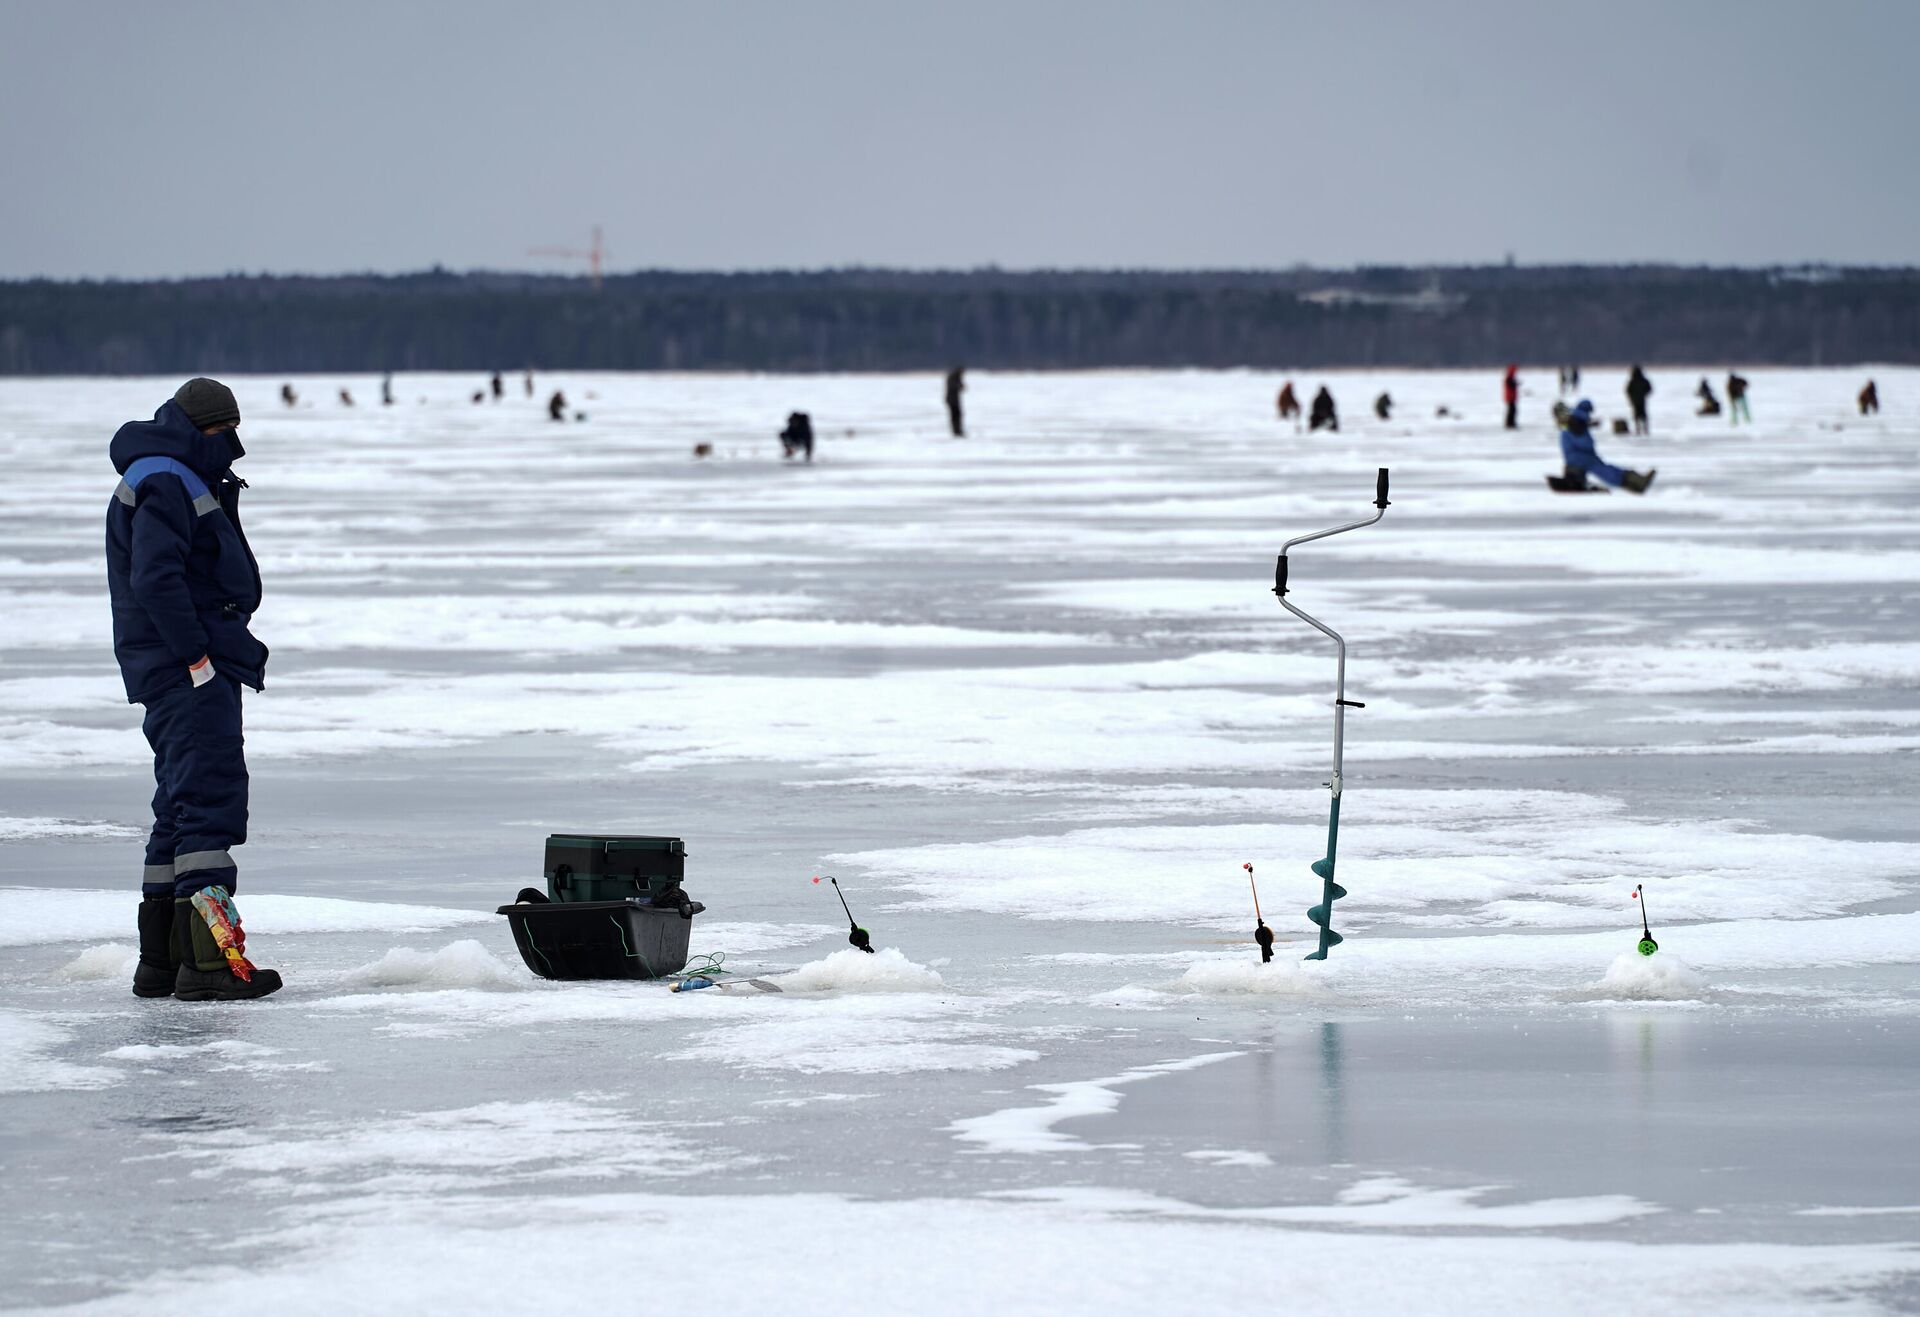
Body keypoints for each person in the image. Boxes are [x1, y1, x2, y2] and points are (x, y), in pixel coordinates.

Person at [106, 379, 282, 1001]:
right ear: (198, 427)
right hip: (187, 667)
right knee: (207, 800)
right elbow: (155, 579)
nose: (232, 444)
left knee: (178, 807)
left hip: (176, 664)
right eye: (222, 431)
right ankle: (209, 966)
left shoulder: (173, 471)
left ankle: (161, 962)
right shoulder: (166, 478)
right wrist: (196, 655)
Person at [1559, 399, 1654, 493]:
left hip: (1578, 456)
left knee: (1607, 469)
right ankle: (1635, 482)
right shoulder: (1578, 421)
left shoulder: (1576, 419)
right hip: (1580, 457)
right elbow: (1583, 441)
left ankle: (1635, 482)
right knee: (1606, 471)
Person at [1625, 366, 1653, 435]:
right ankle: (1645, 429)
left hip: (1635, 400)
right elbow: (1649, 388)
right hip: (1641, 400)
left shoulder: (1632, 381)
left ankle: (1638, 429)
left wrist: (1631, 397)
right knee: (1643, 415)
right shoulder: (1643, 380)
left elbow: (1628, 391)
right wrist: (1644, 394)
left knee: (1637, 415)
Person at [944, 368, 965, 438]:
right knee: (955, 416)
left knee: (957, 415)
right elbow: (956, 387)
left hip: (954, 400)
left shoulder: (955, 377)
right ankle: (956, 431)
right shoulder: (953, 378)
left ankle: (958, 430)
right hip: (952, 400)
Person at [1502, 364, 1520, 430]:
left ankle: (1510, 423)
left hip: (1511, 396)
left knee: (1512, 410)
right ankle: (1510, 423)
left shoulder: (1510, 377)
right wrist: (1516, 384)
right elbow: (1511, 386)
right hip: (1510, 397)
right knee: (1512, 411)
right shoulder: (1509, 378)